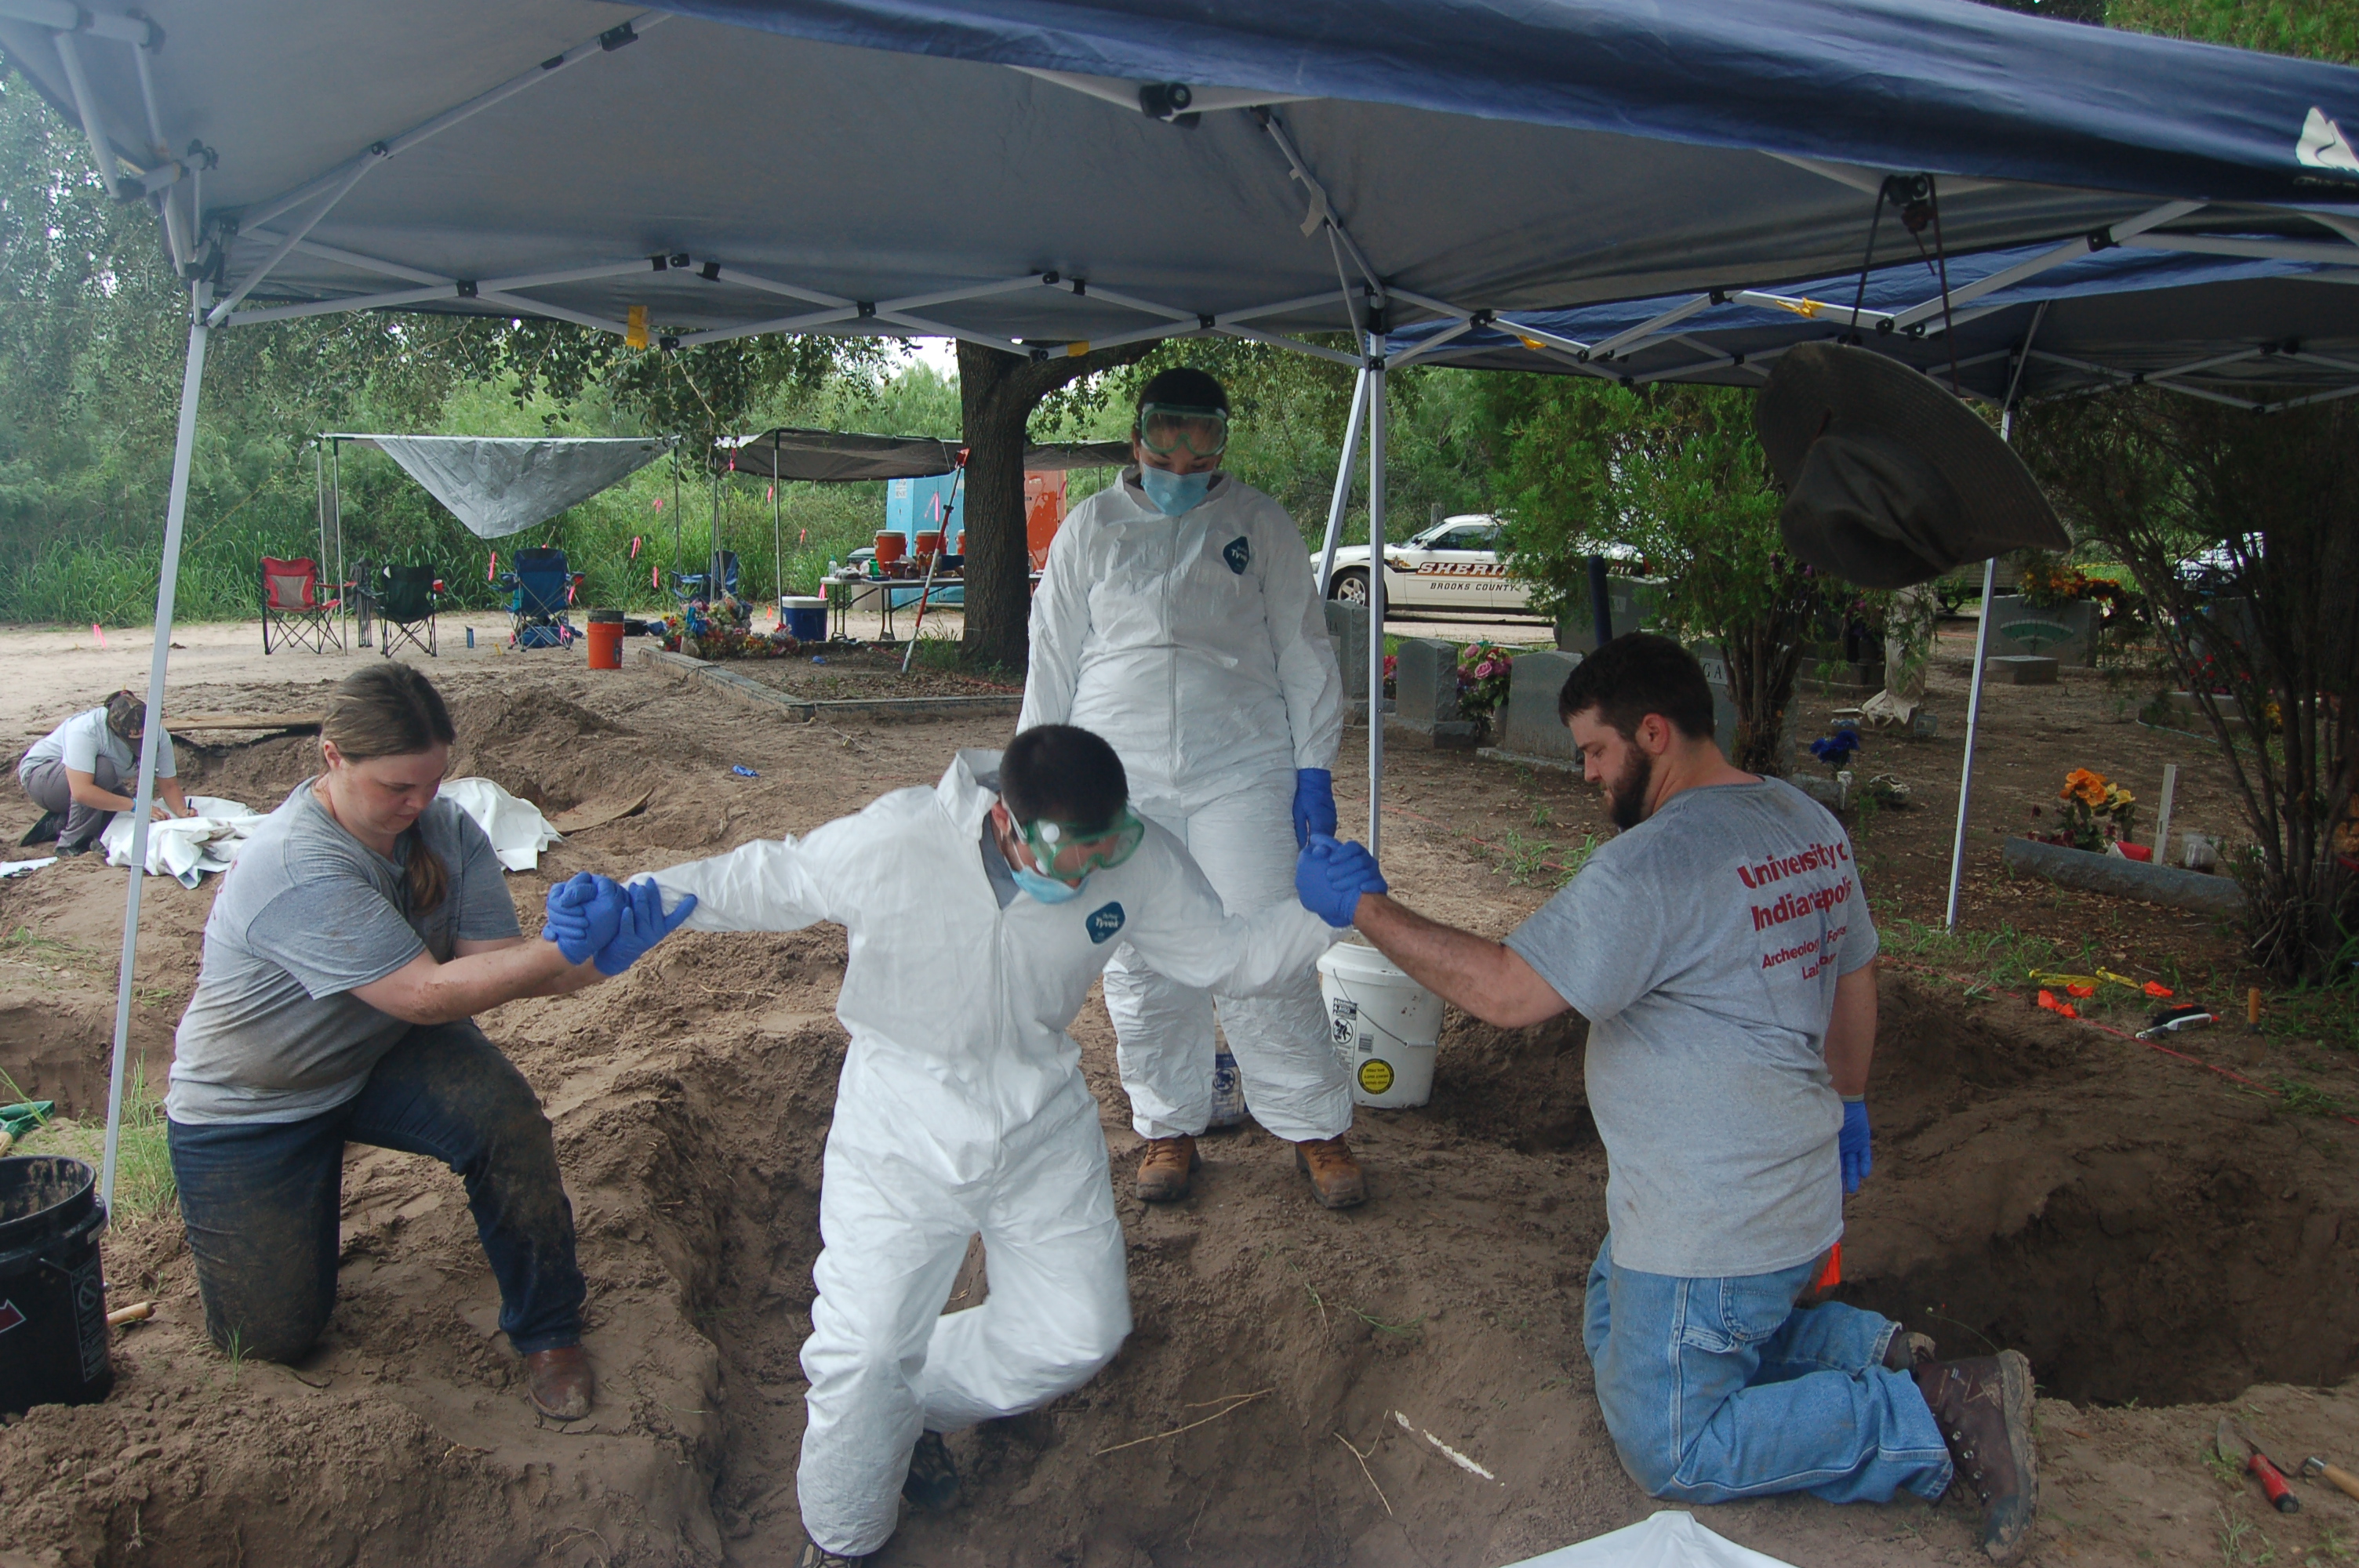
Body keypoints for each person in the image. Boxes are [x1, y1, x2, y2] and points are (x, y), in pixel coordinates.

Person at [1293, 633, 2038, 1564]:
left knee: (1670, 1442)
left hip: (1717, 1222)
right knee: (1611, 1318)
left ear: (1653, 731)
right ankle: (1868, 1348)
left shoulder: (1656, 865)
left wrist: (1361, 908)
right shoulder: (1802, 820)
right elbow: (1854, 968)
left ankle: (1927, 1412)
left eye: (1593, 752)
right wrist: (1847, 1098)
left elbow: (1506, 990)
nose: (1585, 774)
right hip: (1787, 1189)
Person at [614, 724, 1341, 1567]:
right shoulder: (899, 840)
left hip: (1039, 1111)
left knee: (1080, 1327)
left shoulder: (1132, 858)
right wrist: (639, 899)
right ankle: (844, 1536)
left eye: (1107, 848)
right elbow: (772, 875)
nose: (1086, 873)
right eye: (1068, 856)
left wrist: (1324, 913)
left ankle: (912, 1406)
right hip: (899, 1115)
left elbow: (1224, 954)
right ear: (1005, 821)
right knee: (867, 1347)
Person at [164, 663, 694, 1421]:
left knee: (504, 1118)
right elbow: (422, 995)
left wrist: (601, 952)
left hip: (376, 1056)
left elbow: (488, 968)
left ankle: (549, 1331)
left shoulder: (446, 830)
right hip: (254, 1103)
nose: (417, 806)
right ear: (332, 757)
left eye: (432, 783)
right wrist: (561, 951)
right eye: (395, 789)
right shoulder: (295, 863)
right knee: (274, 1337)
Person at [1019, 365, 1361, 1209]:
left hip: (1239, 761)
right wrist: (1034, 780)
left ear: (1221, 443)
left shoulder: (1258, 522)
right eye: (1163, 437)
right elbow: (1051, 659)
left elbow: (1302, 646)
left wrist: (1312, 764)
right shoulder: (1090, 528)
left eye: (1200, 440)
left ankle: (1314, 1125)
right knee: (1139, 947)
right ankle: (1168, 1125)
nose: (1179, 459)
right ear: (1134, 437)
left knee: (1261, 938)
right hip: (1114, 766)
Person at [17, 691, 190, 854]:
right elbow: (82, 792)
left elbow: (169, 785)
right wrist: (137, 806)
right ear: (115, 731)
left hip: (89, 780)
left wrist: (182, 810)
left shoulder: (157, 732)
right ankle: (72, 843)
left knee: (121, 814)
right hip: (42, 777)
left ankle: (60, 823)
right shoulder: (87, 730)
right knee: (104, 771)